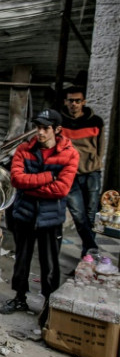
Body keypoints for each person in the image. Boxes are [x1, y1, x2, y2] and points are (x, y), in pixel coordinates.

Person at [0, 109, 79, 327]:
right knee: (21, 259)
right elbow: (16, 179)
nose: (40, 132)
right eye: (38, 127)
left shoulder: (70, 153)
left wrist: (31, 185)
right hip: (25, 214)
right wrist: (48, 177)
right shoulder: (25, 150)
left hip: (51, 218)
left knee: (49, 263)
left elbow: (62, 189)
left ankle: (48, 304)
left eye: (46, 128)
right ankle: (19, 298)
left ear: (57, 130)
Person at [59, 87, 104, 256]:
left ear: (83, 102)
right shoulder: (60, 121)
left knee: (91, 213)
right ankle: (92, 247)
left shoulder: (95, 121)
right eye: (71, 100)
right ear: (66, 102)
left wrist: (96, 163)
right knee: (78, 214)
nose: (74, 104)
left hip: (91, 172)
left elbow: (100, 146)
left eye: (78, 101)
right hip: (69, 174)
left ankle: (86, 256)